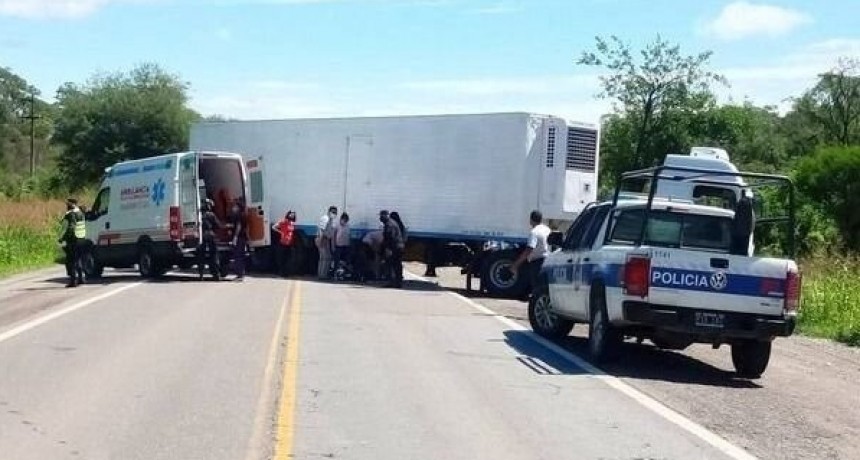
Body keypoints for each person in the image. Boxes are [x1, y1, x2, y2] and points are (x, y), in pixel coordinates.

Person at [510, 210, 551, 297]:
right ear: (541, 219)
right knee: (544, 288)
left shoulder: (534, 232)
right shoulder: (547, 230)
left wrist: (516, 265)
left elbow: (529, 249)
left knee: (537, 288)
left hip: (537, 263)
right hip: (548, 261)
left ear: (531, 220)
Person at [59, 198, 86, 288]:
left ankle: (73, 281)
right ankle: (81, 278)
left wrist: (63, 238)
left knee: (71, 261)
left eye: (68, 205)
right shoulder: (80, 213)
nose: (67, 206)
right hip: (81, 238)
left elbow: (71, 227)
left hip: (73, 240)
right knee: (78, 259)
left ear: (71, 205)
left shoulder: (72, 214)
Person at [198, 199, 222, 281]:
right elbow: (218, 225)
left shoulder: (199, 215)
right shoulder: (211, 215)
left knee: (201, 255)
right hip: (210, 235)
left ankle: (201, 275)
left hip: (201, 236)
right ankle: (216, 274)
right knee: (214, 255)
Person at [380, 210, 405, 288]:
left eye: (381, 216)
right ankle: (397, 282)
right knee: (396, 265)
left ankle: (393, 282)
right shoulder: (392, 223)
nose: (380, 218)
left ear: (386, 215)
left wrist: (388, 248)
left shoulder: (389, 224)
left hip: (394, 248)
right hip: (398, 247)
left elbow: (390, 237)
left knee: (391, 264)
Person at [228, 200, 248, 281]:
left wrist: (235, 237)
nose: (233, 208)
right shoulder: (243, 215)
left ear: (238, 208)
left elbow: (239, 226)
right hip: (243, 237)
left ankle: (240, 275)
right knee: (241, 256)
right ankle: (241, 274)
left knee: (238, 256)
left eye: (235, 206)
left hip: (239, 238)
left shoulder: (239, 215)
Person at [272, 210, 297, 277]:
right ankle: (282, 273)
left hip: (289, 243)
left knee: (288, 258)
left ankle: (286, 272)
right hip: (283, 243)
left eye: (293, 215)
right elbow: (273, 227)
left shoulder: (292, 223)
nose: (292, 216)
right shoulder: (284, 222)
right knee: (283, 258)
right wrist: (280, 232)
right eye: (291, 214)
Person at [316, 206, 337, 279]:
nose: (334, 214)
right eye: (333, 212)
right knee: (324, 258)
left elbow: (332, 234)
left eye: (335, 212)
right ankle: (322, 275)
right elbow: (321, 230)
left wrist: (332, 246)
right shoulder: (325, 218)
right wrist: (321, 241)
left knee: (327, 257)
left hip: (326, 240)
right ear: (329, 211)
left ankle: (323, 274)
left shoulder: (332, 220)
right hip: (322, 239)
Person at [333, 212, 352, 277]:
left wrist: (349, 244)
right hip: (338, 246)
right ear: (341, 219)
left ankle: (345, 273)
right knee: (337, 260)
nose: (345, 222)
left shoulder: (348, 225)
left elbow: (349, 235)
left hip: (346, 246)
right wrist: (333, 245)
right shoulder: (337, 225)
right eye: (344, 220)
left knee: (346, 260)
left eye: (346, 221)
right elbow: (334, 236)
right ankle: (335, 273)